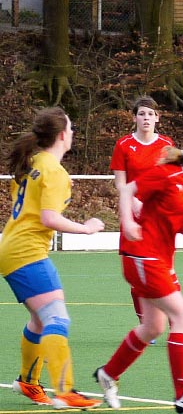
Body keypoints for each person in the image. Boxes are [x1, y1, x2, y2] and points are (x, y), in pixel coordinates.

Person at [95, 132, 183, 412]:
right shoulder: (167, 175)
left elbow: (176, 221)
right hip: (142, 255)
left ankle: (108, 374)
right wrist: (128, 222)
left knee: (153, 327)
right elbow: (127, 190)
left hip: (160, 258)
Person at [1, 107, 105, 409]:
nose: (73, 133)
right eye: (70, 128)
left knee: (39, 319)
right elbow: (49, 218)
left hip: (12, 247)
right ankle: (65, 390)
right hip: (27, 251)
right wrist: (86, 228)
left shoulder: (33, 162)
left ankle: (28, 382)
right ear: (61, 135)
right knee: (56, 318)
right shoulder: (54, 171)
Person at [110, 96, 174, 334]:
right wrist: (133, 201)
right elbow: (120, 182)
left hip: (158, 215)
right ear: (134, 117)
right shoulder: (124, 145)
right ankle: (145, 322)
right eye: (142, 114)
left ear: (157, 118)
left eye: (150, 114)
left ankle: (171, 317)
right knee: (137, 272)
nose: (146, 118)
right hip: (133, 215)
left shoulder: (167, 144)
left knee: (163, 268)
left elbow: (172, 177)